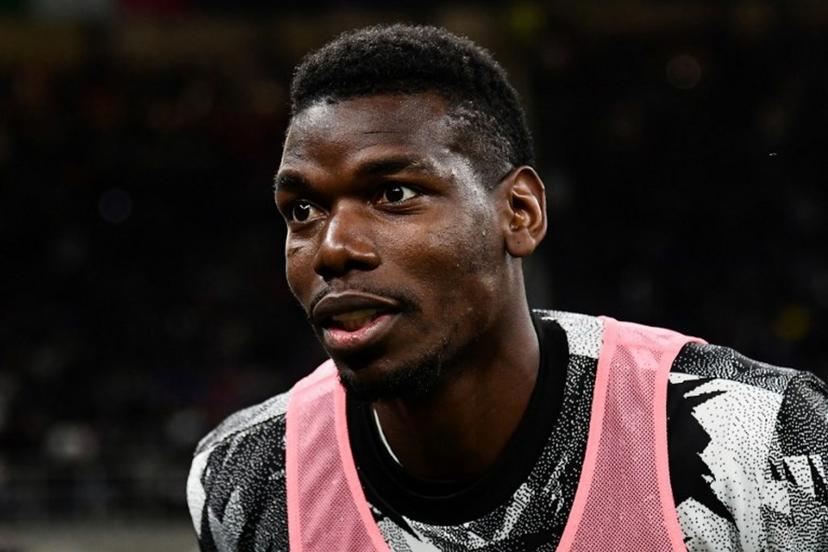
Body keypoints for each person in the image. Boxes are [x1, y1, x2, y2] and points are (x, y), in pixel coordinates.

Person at [186, 24, 828, 551]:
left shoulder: (763, 442)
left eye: (394, 194)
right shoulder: (247, 475)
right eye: (302, 210)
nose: (332, 248)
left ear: (518, 213)